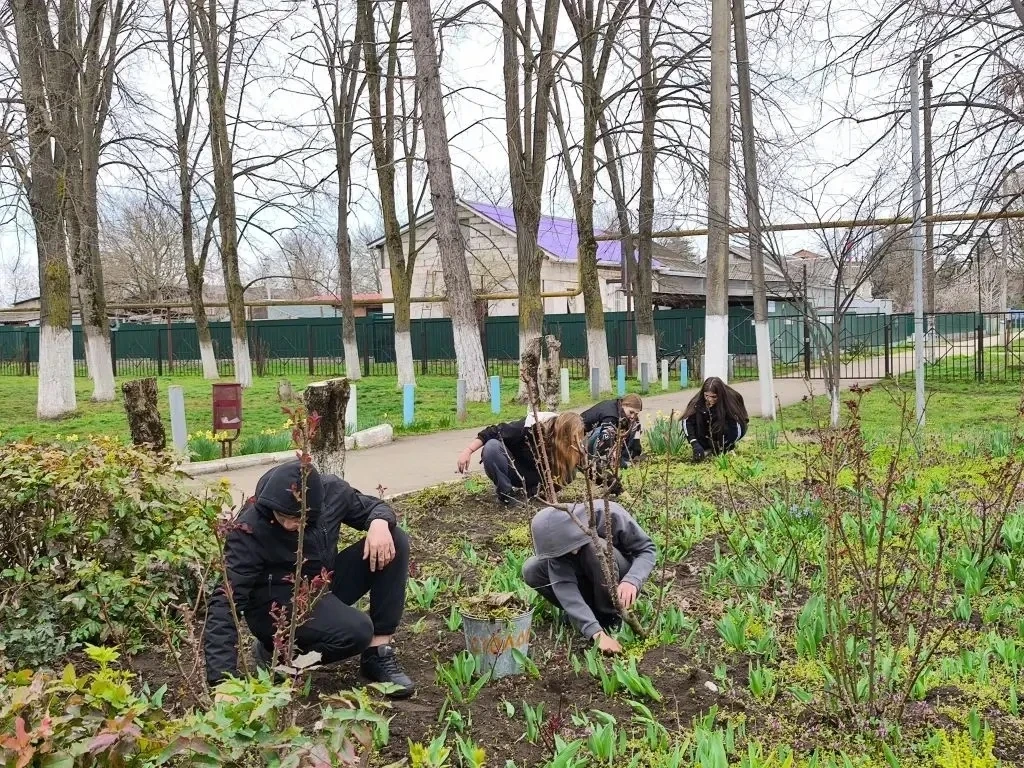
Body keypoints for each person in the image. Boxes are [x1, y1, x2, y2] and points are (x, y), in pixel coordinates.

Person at [204, 460, 415, 698]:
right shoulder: (249, 527)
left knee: (393, 539)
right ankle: (278, 652)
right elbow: (226, 601)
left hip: (319, 585)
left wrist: (378, 521)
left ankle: (378, 653)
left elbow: (371, 507)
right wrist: (221, 681)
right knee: (356, 631)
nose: (288, 524)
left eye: (296, 518)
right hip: (277, 607)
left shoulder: (332, 493)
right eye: (281, 516)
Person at [522, 500, 657, 654]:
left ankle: (611, 616)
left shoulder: (609, 514)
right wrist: (595, 633)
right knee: (532, 569)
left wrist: (632, 580)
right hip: (588, 573)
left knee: (593, 547)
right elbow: (564, 586)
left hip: (620, 575)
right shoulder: (556, 543)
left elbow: (647, 550)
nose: (572, 553)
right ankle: (589, 614)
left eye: (571, 549)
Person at [457, 411, 584, 505]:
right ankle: (506, 495)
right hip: (516, 470)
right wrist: (468, 451)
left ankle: (539, 494)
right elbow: (493, 431)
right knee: (492, 447)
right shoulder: (531, 427)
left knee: (572, 467)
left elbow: (585, 465)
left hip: (541, 478)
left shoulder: (571, 444)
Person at [681, 376, 749, 461]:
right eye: (706, 395)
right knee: (697, 416)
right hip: (704, 435)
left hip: (724, 433)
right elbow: (687, 421)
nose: (709, 399)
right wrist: (694, 443)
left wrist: (725, 445)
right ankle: (706, 447)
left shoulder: (732, 399)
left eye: (714, 397)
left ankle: (726, 448)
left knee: (726, 424)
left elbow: (740, 426)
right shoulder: (698, 400)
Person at [581, 393, 644, 470]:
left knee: (634, 424)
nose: (633, 416)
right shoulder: (611, 415)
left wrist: (636, 449)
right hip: (582, 441)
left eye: (636, 414)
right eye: (631, 412)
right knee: (606, 433)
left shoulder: (620, 409)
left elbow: (635, 432)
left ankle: (626, 458)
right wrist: (616, 458)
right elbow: (605, 438)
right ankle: (601, 462)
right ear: (624, 405)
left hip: (596, 435)